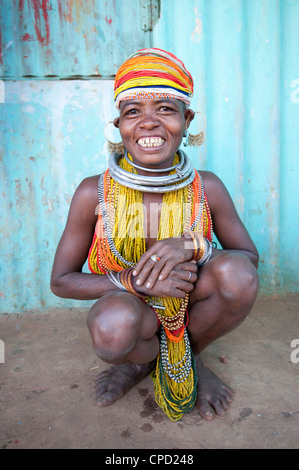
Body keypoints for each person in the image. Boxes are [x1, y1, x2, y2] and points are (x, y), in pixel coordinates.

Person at [50, 48, 259, 422]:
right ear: (118, 126)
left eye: (165, 108)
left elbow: (248, 258)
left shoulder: (206, 187)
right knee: (112, 330)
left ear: (187, 119)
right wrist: (134, 282)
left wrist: (192, 245)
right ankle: (136, 363)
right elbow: (62, 282)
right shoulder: (92, 193)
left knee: (238, 274)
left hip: (190, 302)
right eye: (133, 112)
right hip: (133, 309)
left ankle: (189, 356)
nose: (148, 122)